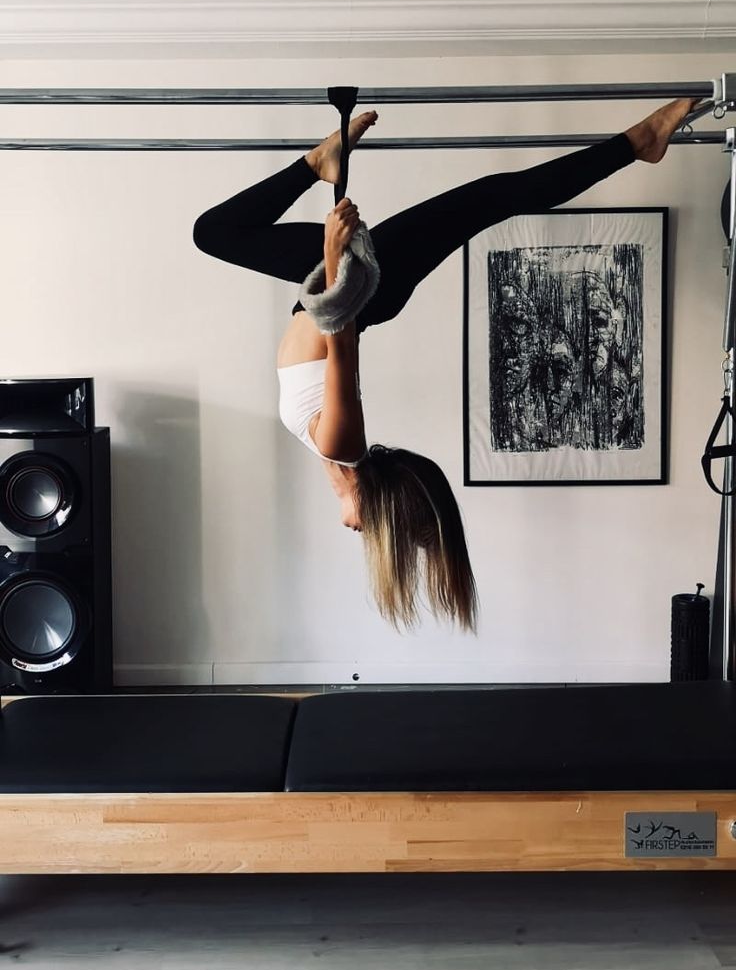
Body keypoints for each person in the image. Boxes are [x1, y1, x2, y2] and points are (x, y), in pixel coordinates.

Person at [193, 96, 698, 630]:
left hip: (344, 285)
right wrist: (335, 252)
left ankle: (317, 165)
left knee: (217, 233)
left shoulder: (334, 452)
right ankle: (637, 143)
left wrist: (331, 258)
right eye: (382, 532)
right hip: (357, 287)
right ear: (380, 509)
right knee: (495, 196)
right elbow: (339, 334)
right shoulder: (340, 445)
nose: (363, 535)